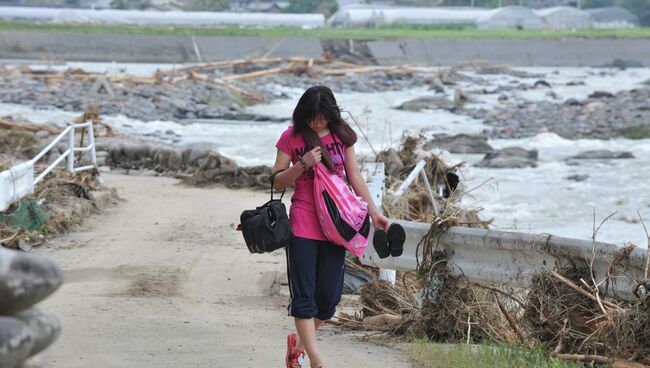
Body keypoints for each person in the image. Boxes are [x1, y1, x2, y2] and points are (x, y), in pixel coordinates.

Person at [272, 86, 390, 368]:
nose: (318, 123)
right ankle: (315, 360)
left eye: (323, 118)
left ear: (331, 115)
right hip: (302, 223)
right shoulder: (291, 137)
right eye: (313, 118)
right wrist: (302, 164)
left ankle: (296, 346)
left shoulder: (342, 135)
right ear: (303, 114)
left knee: (328, 300)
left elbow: (355, 175)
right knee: (304, 297)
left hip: (337, 226)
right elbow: (276, 181)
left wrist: (374, 212)